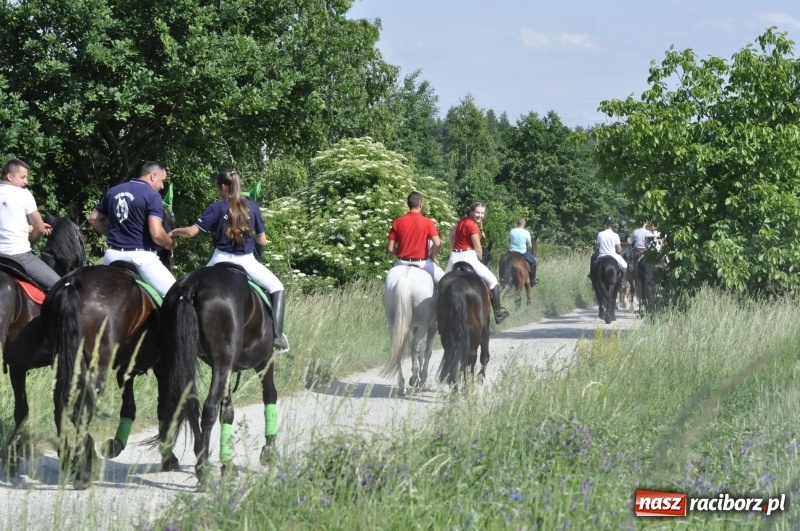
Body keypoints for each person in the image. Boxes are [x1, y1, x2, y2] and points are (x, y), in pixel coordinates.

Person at [169, 169, 289, 352]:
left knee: (188, 290)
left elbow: (192, 232)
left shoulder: (216, 207)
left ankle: (181, 334)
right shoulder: (252, 207)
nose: (219, 191)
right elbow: (262, 240)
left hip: (219, 260)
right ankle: (277, 337)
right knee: (277, 287)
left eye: (219, 188)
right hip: (247, 262)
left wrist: (174, 232)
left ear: (224, 187)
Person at [88, 161, 177, 297]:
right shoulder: (152, 196)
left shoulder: (113, 191)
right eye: (162, 181)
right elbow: (157, 234)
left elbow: (93, 219)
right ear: (153, 176)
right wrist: (170, 244)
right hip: (141, 258)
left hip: (112, 256)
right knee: (178, 294)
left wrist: (114, 233)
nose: (162, 186)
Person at [0, 159, 61, 289]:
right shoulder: (23, 194)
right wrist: (30, 242)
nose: (26, 182)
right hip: (19, 256)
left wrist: (29, 228)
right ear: (10, 177)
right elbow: (39, 229)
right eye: (22, 177)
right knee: (60, 287)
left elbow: (7, 225)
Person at [446, 202, 510, 324]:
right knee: (493, 281)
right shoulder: (472, 226)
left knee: (442, 284)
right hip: (469, 257)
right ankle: (498, 313)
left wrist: (452, 249)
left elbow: (451, 235)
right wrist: (480, 259)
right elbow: (478, 248)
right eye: (477, 212)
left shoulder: (462, 221)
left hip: (454, 257)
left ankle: (440, 318)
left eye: (482, 213)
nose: (480, 215)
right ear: (472, 212)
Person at [387, 191, 445, 283]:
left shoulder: (397, 222)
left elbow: (390, 249)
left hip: (402, 262)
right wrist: (432, 256)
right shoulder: (428, 222)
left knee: (389, 282)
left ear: (408, 204)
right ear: (421, 205)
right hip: (422, 263)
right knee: (445, 281)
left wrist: (403, 253)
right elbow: (437, 243)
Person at [589, 215, 628, 280]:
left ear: (605, 224)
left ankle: (591, 276)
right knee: (624, 265)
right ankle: (623, 282)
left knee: (593, 265)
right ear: (611, 225)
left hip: (601, 255)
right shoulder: (615, 235)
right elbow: (619, 249)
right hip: (613, 255)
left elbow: (598, 245)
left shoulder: (600, 234)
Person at [508, 218, 538, 286]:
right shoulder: (526, 232)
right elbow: (530, 245)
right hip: (522, 252)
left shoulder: (512, 231)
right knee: (533, 262)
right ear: (524, 224)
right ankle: (533, 279)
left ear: (517, 223)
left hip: (511, 251)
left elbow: (510, 241)